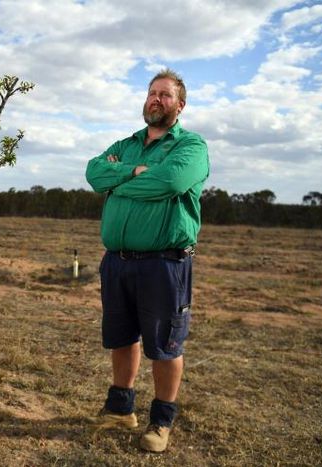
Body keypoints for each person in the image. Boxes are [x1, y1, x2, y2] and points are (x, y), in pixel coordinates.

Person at [85, 68, 209, 453]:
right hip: (118, 261)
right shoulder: (128, 143)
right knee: (121, 337)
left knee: (165, 345)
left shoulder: (190, 146)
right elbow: (93, 172)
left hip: (164, 264)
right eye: (153, 92)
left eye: (166, 95)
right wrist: (130, 170)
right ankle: (121, 409)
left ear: (180, 105)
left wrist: (119, 183)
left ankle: (161, 421)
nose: (157, 99)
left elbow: (169, 183)